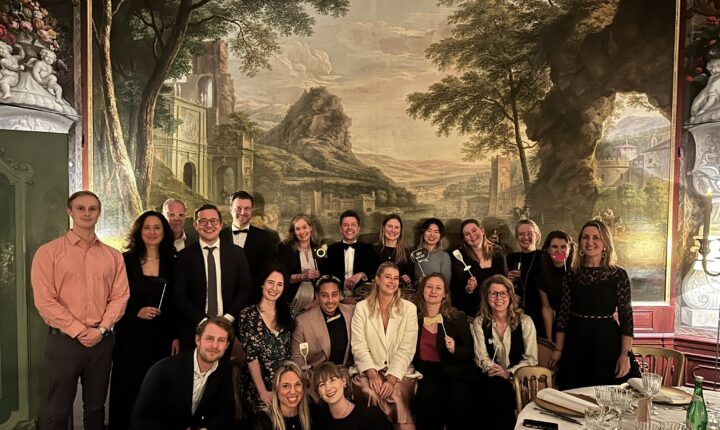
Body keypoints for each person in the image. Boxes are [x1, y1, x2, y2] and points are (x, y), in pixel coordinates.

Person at [31, 191, 129, 430]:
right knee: (58, 412)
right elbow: (45, 301)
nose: (87, 213)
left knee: (96, 410)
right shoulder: (48, 252)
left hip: (102, 342)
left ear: (99, 213)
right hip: (64, 342)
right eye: (81, 208)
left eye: (92, 209)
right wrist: (80, 330)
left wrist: (101, 329)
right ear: (70, 212)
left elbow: (120, 297)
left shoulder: (113, 256)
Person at [109, 211, 179, 430]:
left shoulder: (173, 262)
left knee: (158, 392)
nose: (152, 232)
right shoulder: (125, 260)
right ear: (139, 231)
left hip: (162, 338)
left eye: (157, 227)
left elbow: (178, 303)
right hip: (130, 337)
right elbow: (112, 298)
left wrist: (176, 336)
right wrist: (135, 313)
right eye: (147, 227)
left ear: (164, 232)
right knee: (127, 391)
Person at [550, 220, 636, 390]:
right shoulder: (571, 274)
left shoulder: (618, 275)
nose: (590, 242)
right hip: (576, 341)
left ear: (605, 243)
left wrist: (625, 354)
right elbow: (563, 315)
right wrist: (558, 349)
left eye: (596, 237)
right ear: (580, 242)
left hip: (606, 343)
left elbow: (626, 317)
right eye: (585, 237)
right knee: (573, 395)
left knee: (608, 396)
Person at [130, 317, 235, 430]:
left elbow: (226, 409)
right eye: (209, 338)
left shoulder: (224, 367)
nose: (214, 345)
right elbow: (141, 418)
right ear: (198, 340)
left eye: (221, 340)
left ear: (226, 345)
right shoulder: (164, 369)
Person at [351, 262, 420, 430]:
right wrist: (372, 373)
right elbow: (359, 345)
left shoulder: (409, 309)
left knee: (395, 394)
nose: (392, 282)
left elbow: (407, 349)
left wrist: (391, 379)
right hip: (370, 368)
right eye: (388, 277)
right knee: (370, 391)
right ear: (377, 280)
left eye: (396, 278)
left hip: (400, 372)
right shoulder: (361, 308)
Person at [174, 203, 253, 350]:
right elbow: (179, 295)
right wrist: (202, 321)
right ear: (195, 225)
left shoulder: (237, 254)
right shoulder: (184, 257)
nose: (209, 225)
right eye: (203, 221)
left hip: (227, 327)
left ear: (221, 225)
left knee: (222, 365)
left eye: (214, 221)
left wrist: (227, 319)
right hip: (194, 328)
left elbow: (245, 289)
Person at [471, 274, 537, 430]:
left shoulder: (525, 321)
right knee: (496, 387)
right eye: (493, 293)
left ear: (510, 296)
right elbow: (481, 357)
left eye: (503, 293)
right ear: (486, 297)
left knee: (499, 391)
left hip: (518, 380)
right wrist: (497, 371)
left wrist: (509, 373)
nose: (498, 298)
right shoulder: (479, 322)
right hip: (490, 377)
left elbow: (531, 359)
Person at [413, 273, 478, 430]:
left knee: (457, 402)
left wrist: (455, 349)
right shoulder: (413, 318)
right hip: (427, 372)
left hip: (454, 371)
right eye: (429, 287)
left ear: (444, 294)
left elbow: (469, 351)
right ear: (422, 291)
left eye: (438, 288)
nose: (433, 291)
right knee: (427, 401)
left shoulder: (458, 317)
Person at [238, 265, 296, 419]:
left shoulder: (289, 311)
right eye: (271, 282)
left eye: (280, 284)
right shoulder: (247, 315)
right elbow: (251, 357)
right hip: (258, 384)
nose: (274, 288)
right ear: (262, 284)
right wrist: (263, 391)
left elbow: (291, 349)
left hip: (285, 381)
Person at [290, 274, 355, 400]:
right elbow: (298, 361)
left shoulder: (353, 312)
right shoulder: (302, 322)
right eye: (324, 295)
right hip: (317, 377)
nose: (330, 300)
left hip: (347, 374)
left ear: (340, 295)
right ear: (317, 296)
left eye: (334, 295)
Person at [449, 219, 506, 317]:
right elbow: (455, 289)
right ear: (464, 239)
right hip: (471, 310)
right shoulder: (459, 256)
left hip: (496, 309)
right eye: (467, 234)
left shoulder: (498, 252)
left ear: (482, 231)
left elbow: (504, 279)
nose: (472, 235)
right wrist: (468, 289)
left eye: (474, 230)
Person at [312, 361, 390, 430]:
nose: (328, 388)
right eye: (322, 384)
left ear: (343, 381)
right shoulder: (318, 423)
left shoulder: (372, 417)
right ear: (318, 393)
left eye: (332, 380)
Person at [220, 190, 277, 283]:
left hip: (254, 290)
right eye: (238, 208)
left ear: (251, 210)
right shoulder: (219, 236)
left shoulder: (264, 238)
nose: (242, 212)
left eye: (247, 208)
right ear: (230, 209)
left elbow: (267, 270)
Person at [506, 219, 545, 339]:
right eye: (521, 234)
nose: (525, 237)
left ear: (537, 236)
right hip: (515, 313)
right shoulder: (510, 258)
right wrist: (507, 280)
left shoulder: (544, 257)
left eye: (529, 233)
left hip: (539, 313)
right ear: (517, 237)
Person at [276, 214, 322, 312]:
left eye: (304, 227)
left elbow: (325, 276)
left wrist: (318, 299)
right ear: (294, 232)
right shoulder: (285, 249)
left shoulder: (319, 248)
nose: (301, 232)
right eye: (297, 229)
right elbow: (280, 277)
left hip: (315, 304)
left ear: (311, 228)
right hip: (291, 302)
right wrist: (302, 276)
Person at [326, 210, 377, 297]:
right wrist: (341, 295)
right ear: (341, 229)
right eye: (346, 225)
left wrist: (361, 274)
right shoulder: (331, 250)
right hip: (336, 297)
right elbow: (326, 276)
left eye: (353, 225)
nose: (349, 227)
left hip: (362, 297)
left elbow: (376, 270)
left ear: (358, 229)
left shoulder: (368, 249)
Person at [537, 230, 575, 341]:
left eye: (563, 247)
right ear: (548, 250)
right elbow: (547, 308)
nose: (559, 251)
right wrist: (549, 339)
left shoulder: (577, 272)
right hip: (558, 327)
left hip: (578, 325)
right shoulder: (543, 275)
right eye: (554, 247)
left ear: (569, 249)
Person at [253, 361, 312, 430]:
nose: (293, 391)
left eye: (297, 384)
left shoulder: (311, 413)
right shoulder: (263, 420)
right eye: (286, 386)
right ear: (276, 389)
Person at [373, 214, 414, 292]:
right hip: (376, 292)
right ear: (383, 228)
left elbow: (411, 281)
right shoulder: (373, 250)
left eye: (396, 227)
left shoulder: (407, 253)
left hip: (399, 293)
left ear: (400, 231)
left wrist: (408, 279)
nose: (393, 230)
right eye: (389, 226)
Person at [412, 218, 451, 286]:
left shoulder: (444, 256)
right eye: (429, 230)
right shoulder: (414, 254)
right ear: (423, 232)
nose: (432, 234)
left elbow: (446, 284)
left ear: (440, 235)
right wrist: (419, 283)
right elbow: (410, 281)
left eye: (436, 232)